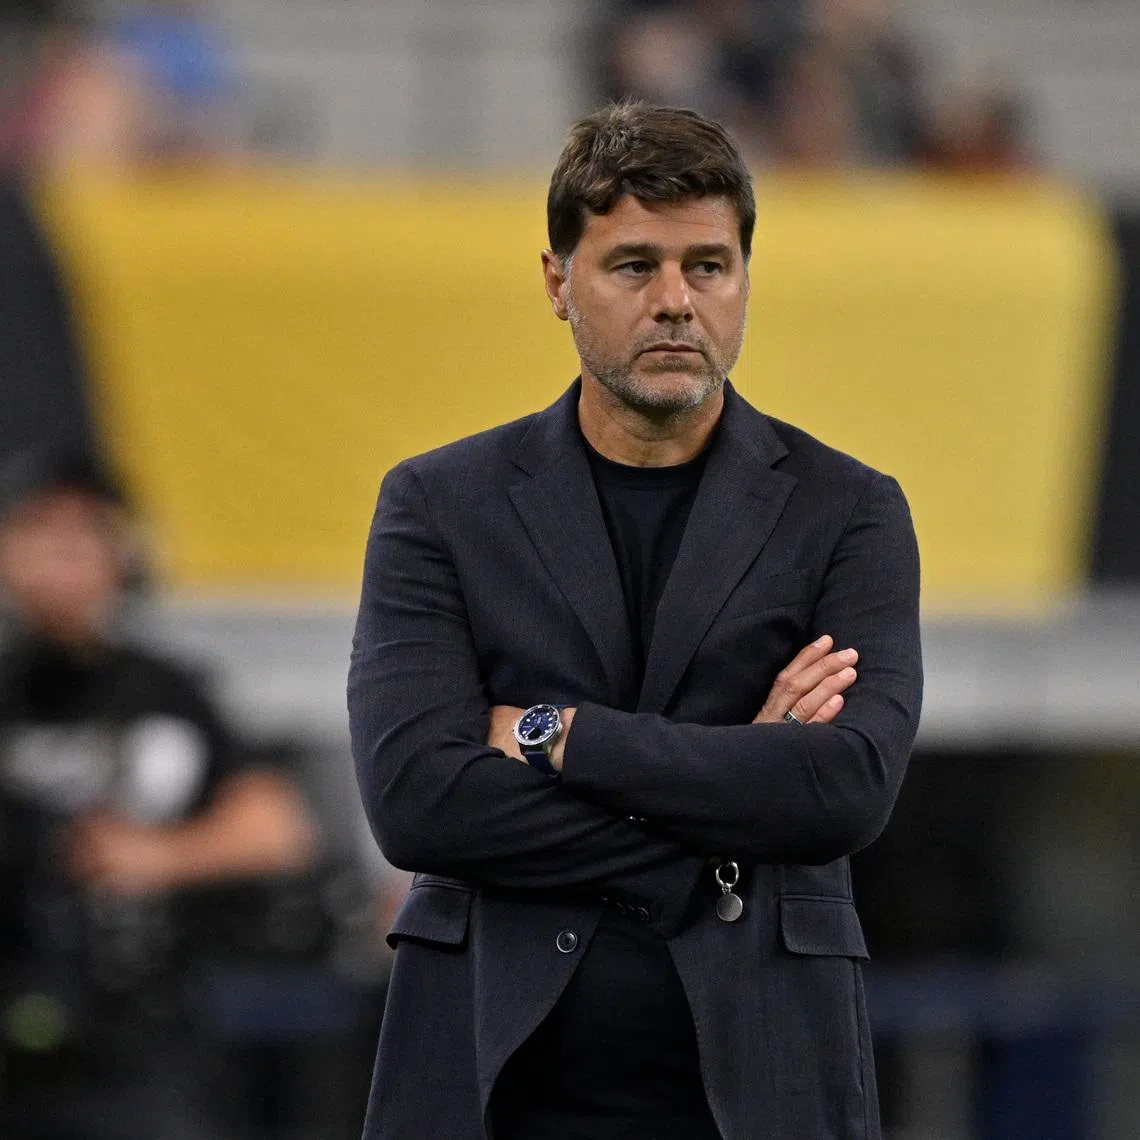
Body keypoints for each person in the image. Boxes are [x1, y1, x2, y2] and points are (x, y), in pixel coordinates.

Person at [348, 101, 922, 1140]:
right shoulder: (440, 503)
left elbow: (843, 788)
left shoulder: (850, 509)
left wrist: (552, 734)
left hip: (764, 1081)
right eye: (632, 266)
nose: (674, 302)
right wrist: (731, 797)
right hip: (491, 1078)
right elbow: (418, 799)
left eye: (707, 266)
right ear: (557, 284)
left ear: (746, 279)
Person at [0, 445, 316, 1140]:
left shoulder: (165, 687)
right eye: (37, 532)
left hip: (146, 1031)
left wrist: (155, 856)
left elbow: (278, 828)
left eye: (83, 533)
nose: (61, 555)